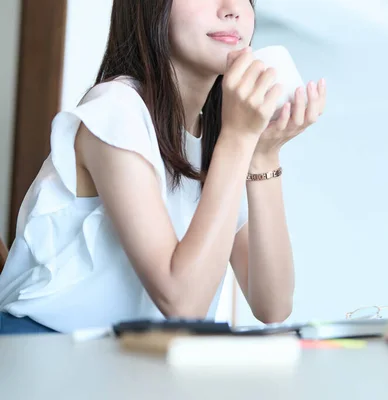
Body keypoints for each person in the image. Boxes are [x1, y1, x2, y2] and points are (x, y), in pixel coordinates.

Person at [0, 0, 326, 335]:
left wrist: (262, 154)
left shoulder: (222, 134)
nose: (232, 9)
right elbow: (181, 303)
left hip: (126, 364)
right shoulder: (117, 108)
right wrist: (239, 139)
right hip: (40, 352)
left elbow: (273, 304)